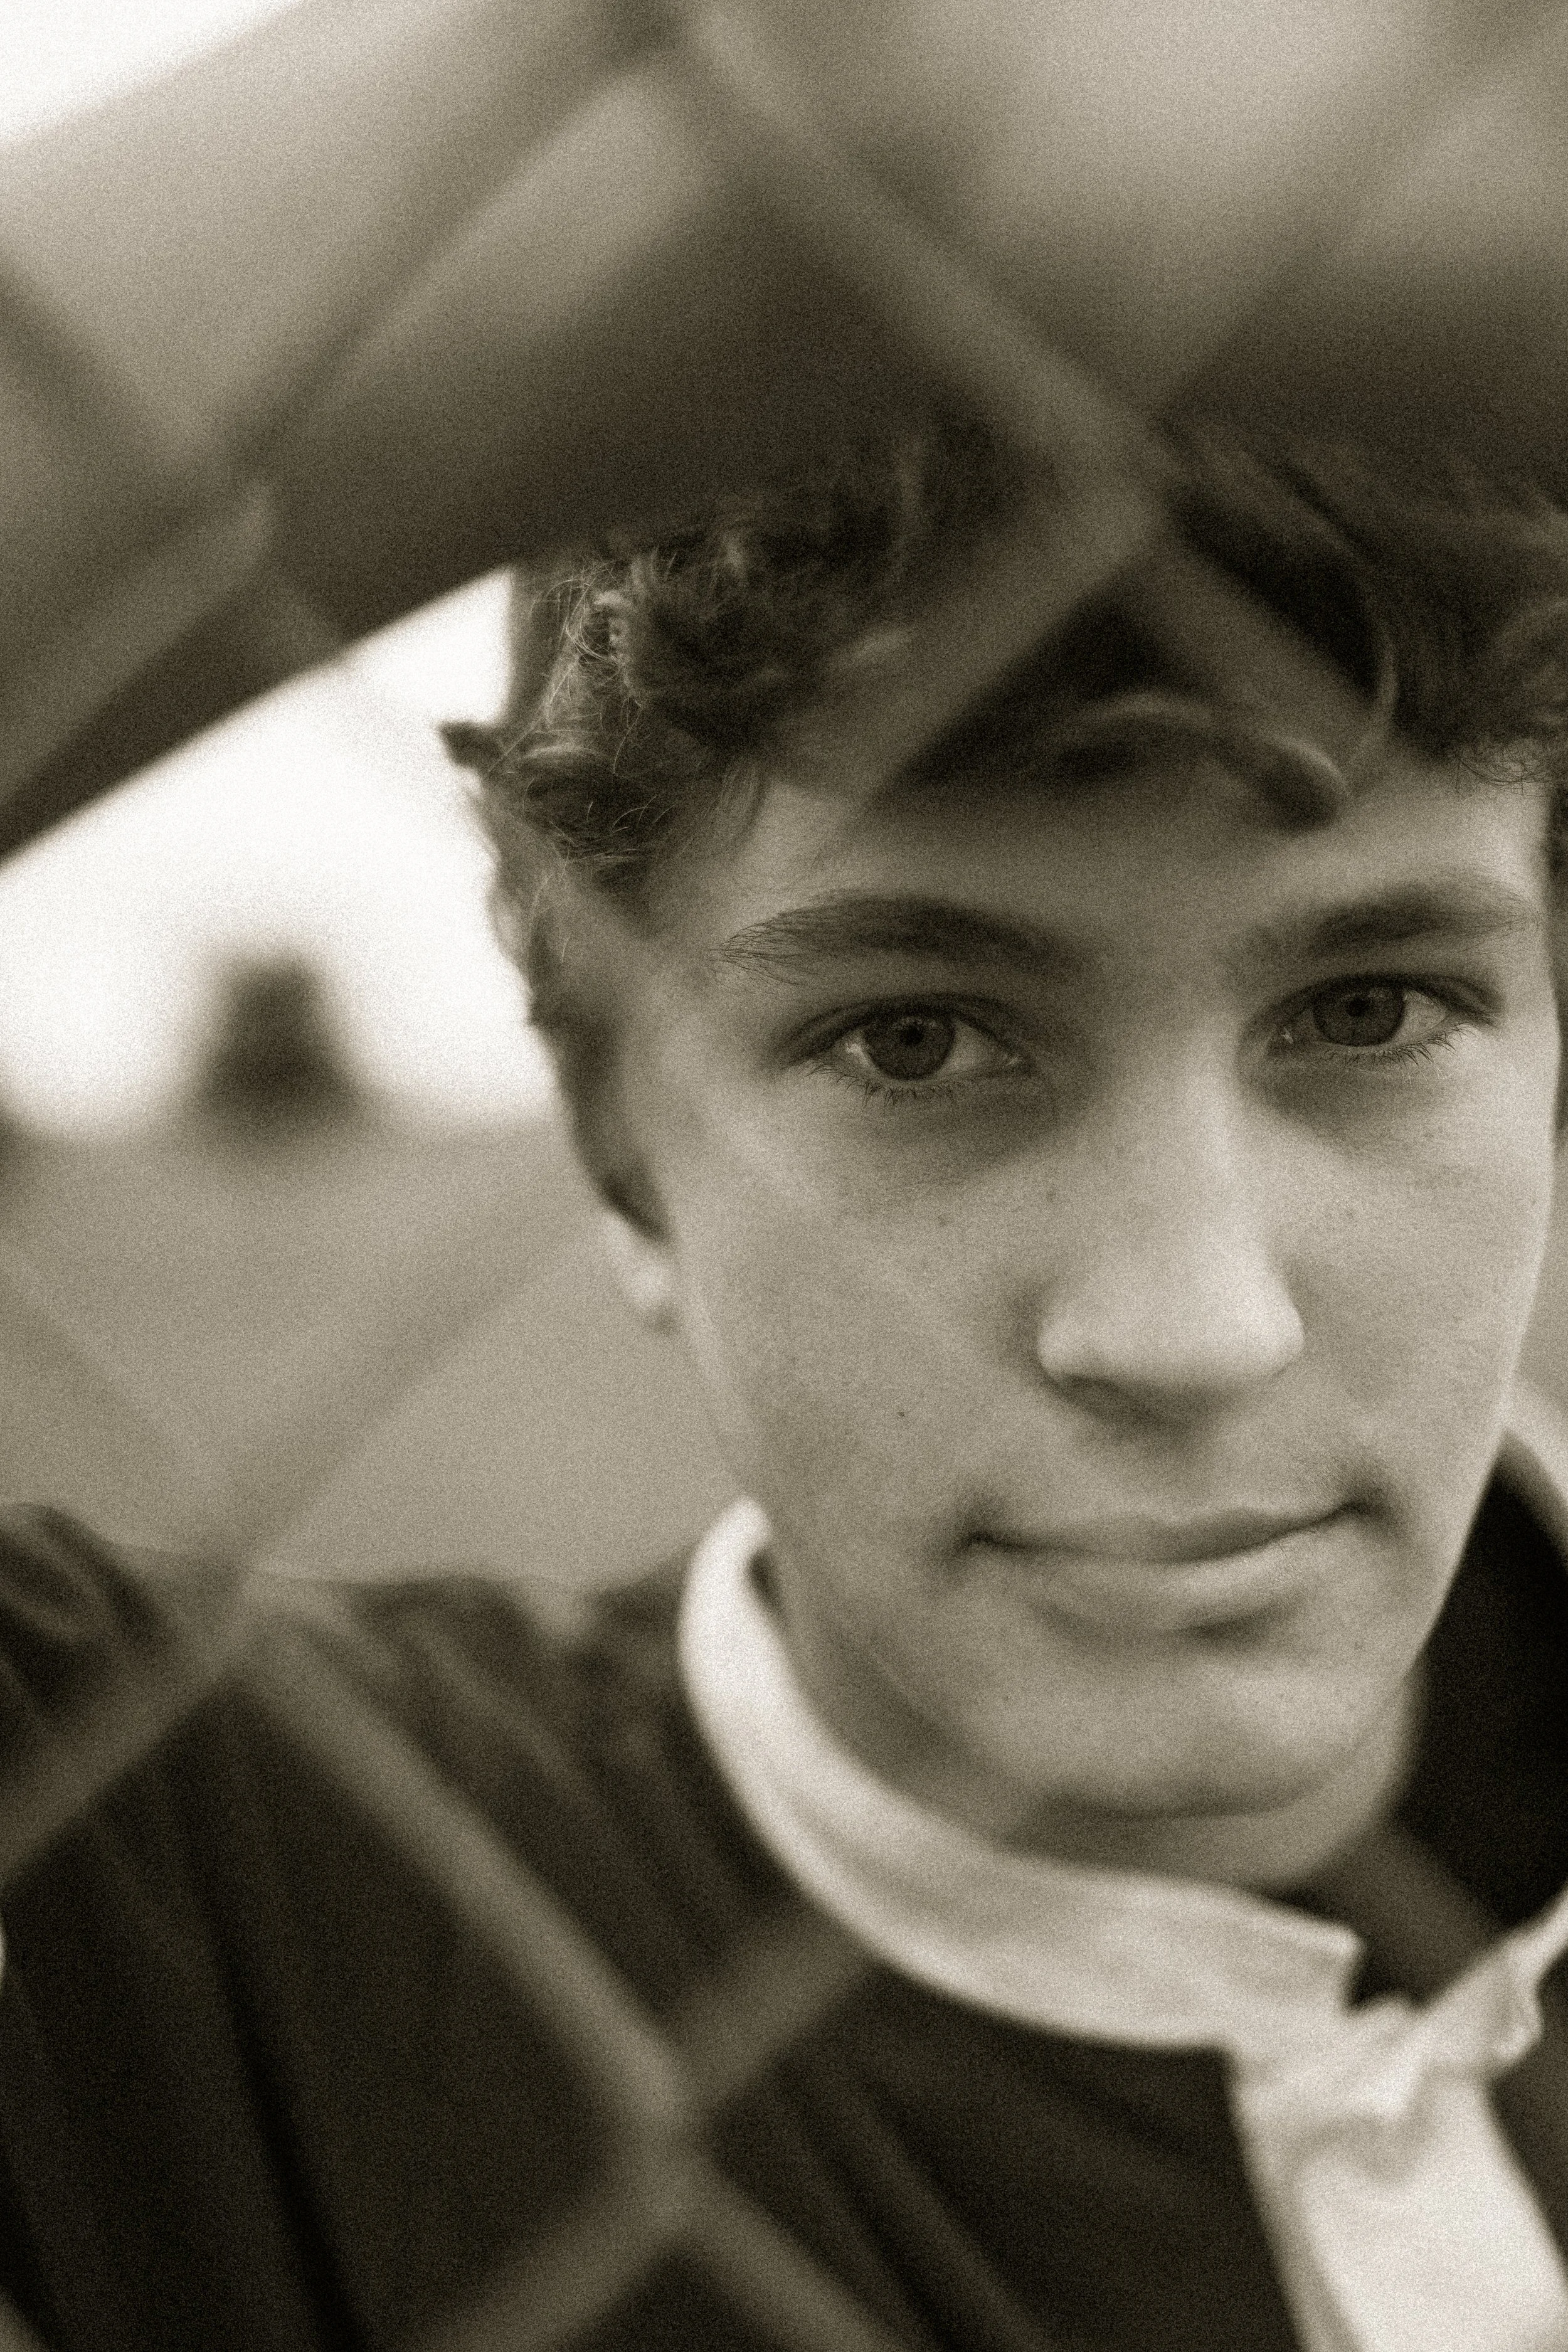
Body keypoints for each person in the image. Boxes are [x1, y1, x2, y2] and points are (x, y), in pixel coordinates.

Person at [5, 408, 1568, 2352]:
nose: (1193, 1326)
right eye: (912, 1041)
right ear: (610, 1127)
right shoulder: (213, 1878)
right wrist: (666, 249)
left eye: (1369, 1009)